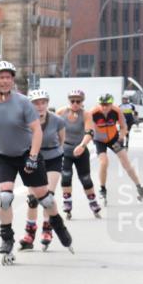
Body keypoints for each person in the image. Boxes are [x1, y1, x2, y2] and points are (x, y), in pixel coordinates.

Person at [0, 61, 73, 265]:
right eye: (1, 77)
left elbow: (37, 130)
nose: (5, 81)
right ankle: (7, 239)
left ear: (13, 80)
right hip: (4, 156)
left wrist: (33, 157)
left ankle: (58, 225)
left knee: (44, 199)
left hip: (27, 154)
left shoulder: (23, 102)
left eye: (8, 77)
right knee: (5, 196)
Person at [19, 89, 67, 251]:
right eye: (36, 103)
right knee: (32, 199)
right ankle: (29, 233)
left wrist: (57, 153)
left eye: (43, 102)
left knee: (48, 197)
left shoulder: (58, 120)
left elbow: (62, 141)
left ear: (47, 103)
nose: (40, 106)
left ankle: (47, 229)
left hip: (53, 157)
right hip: (34, 159)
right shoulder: (25, 121)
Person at [89, 94, 143, 205]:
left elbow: (124, 127)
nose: (104, 107)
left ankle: (140, 187)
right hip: (100, 140)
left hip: (114, 139)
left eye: (107, 105)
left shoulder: (117, 111)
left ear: (112, 104)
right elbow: (87, 128)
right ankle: (102, 189)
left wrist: (121, 137)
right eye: (102, 105)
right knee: (104, 162)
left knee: (126, 163)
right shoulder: (93, 112)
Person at [55, 89, 101, 220]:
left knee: (85, 178)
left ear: (82, 102)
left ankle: (93, 202)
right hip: (65, 149)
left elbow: (89, 132)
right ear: (68, 101)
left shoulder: (86, 114)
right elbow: (54, 129)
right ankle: (67, 202)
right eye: (72, 101)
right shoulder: (60, 112)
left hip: (80, 149)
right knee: (66, 176)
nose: (75, 103)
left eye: (78, 101)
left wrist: (82, 145)